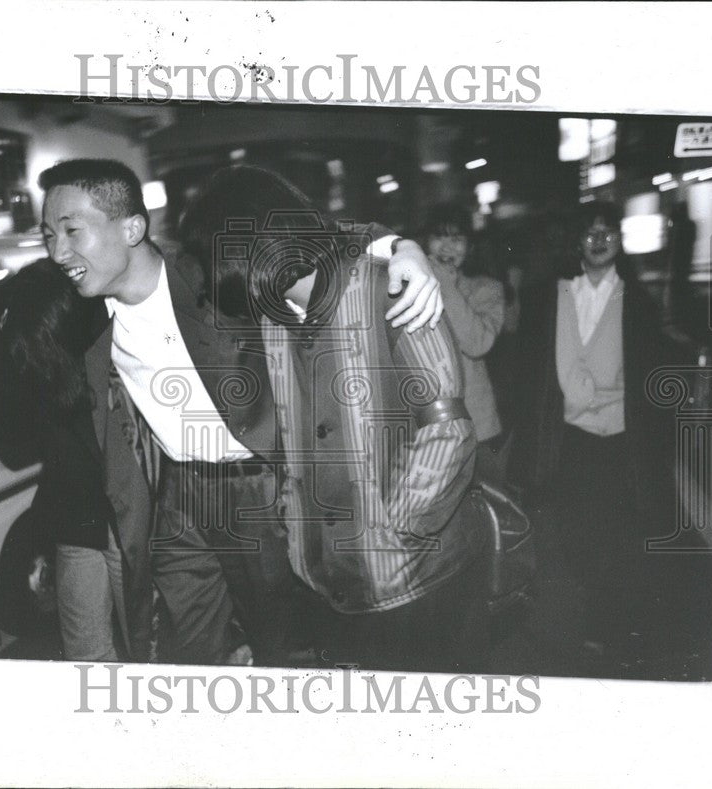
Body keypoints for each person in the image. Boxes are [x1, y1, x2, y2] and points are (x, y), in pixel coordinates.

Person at [36, 158, 446, 666]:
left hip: (258, 488)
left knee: (285, 646)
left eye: (72, 230)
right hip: (178, 499)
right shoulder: (81, 321)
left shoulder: (210, 270)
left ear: (133, 227)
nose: (58, 251)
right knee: (193, 651)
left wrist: (400, 247)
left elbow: (303, 234)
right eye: (48, 234)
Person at [180, 166, 488, 673]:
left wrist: (393, 535)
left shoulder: (384, 287)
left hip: (418, 582)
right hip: (327, 585)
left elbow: (447, 428)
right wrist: (294, 521)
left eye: (214, 260)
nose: (212, 282)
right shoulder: (274, 318)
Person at [507, 201, 677, 663]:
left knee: (618, 539)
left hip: (621, 443)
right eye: (590, 232)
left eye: (608, 232)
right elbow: (529, 374)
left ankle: (607, 626)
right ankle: (583, 622)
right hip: (567, 441)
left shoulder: (638, 302)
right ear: (576, 241)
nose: (599, 240)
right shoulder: (549, 296)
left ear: (621, 240)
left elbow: (654, 381)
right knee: (572, 536)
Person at [0, 259, 152, 662]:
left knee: (145, 648)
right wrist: (3, 359)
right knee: (85, 653)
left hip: (125, 525)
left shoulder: (113, 360)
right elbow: (15, 447)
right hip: (76, 521)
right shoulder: (37, 369)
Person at [425, 205, 507, 483]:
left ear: (470, 246)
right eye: (439, 236)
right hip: (423, 427)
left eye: (457, 238)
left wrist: (444, 285)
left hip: (476, 427)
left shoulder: (487, 289)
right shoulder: (406, 286)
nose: (447, 246)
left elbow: (477, 343)